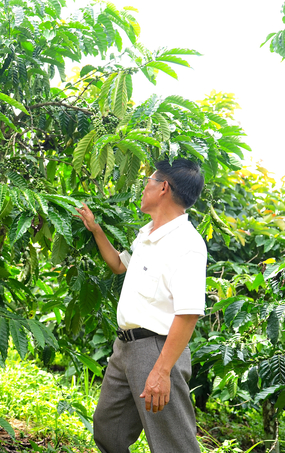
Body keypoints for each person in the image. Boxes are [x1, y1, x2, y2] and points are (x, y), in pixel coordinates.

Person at [76, 158, 206, 452]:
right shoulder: (147, 235)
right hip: (125, 348)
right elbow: (119, 267)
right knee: (109, 431)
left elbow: (188, 314)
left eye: (148, 181)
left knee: (173, 444)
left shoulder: (187, 244)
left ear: (163, 187)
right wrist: (96, 229)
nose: (143, 187)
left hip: (157, 350)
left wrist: (161, 371)